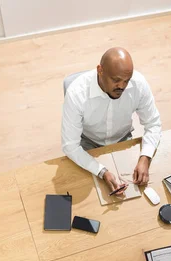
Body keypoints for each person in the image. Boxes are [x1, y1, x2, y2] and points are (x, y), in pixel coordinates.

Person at [61, 47, 162, 194]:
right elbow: (70, 146)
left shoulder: (138, 84)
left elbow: (153, 124)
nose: (121, 86)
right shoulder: (76, 93)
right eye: (116, 80)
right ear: (100, 70)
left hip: (123, 140)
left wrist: (145, 157)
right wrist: (102, 172)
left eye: (126, 81)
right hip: (88, 144)